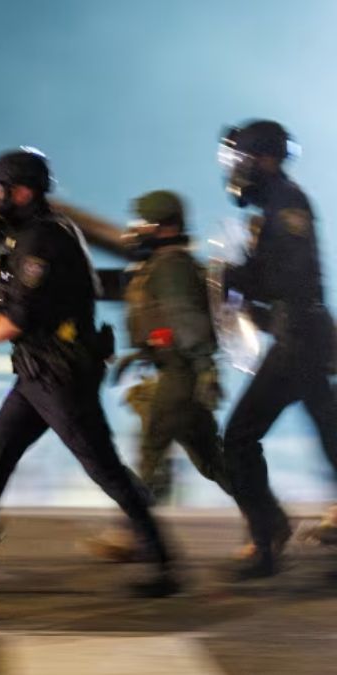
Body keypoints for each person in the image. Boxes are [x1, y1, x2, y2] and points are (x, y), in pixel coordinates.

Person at [0, 149, 178, 597]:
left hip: (60, 376)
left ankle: (163, 565)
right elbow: (18, 304)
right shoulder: (29, 236)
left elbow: (21, 318)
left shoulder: (42, 239)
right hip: (38, 373)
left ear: (24, 192)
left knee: (103, 467)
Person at [215, 121, 337, 578]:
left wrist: (240, 276)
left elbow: (292, 277)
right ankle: (268, 535)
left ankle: (266, 540)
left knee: (239, 437)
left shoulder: (286, 204)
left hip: (298, 337)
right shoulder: (279, 203)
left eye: (243, 159)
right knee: (330, 435)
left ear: (264, 159)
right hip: (301, 334)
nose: (237, 169)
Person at [83, 190, 231, 562]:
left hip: (181, 373)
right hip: (175, 369)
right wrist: (140, 355)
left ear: (167, 227)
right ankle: (266, 516)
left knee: (152, 449)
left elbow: (188, 320)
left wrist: (205, 370)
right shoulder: (162, 263)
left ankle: (132, 533)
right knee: (211, 461)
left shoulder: (172, 265)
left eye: (144, 223)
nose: (136, 230)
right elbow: (166, 322)